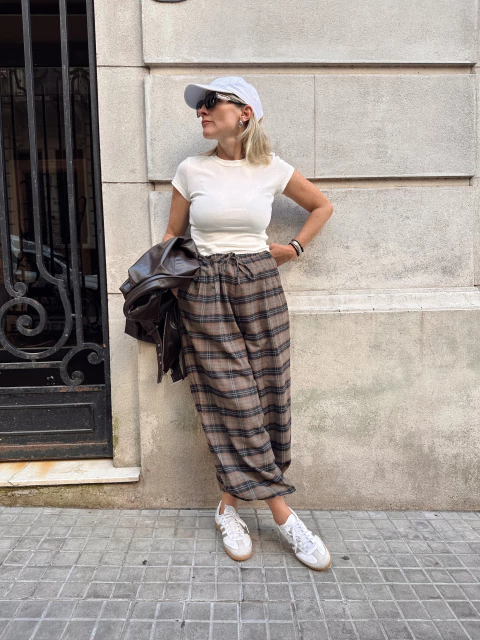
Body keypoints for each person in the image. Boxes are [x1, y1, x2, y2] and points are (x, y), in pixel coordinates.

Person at [163, 76, 334, 571]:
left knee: (267, 396)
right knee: (233, 398)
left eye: (210, 103)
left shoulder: (271, 168)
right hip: (205, 288)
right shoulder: (191, 169)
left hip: (261, 284)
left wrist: (293, 248)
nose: (201, 111)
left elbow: (322, 205)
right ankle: (284, 515)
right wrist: (172, 287)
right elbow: (172, 234)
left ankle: (228, 508)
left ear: (244, 113)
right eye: (199, 106)